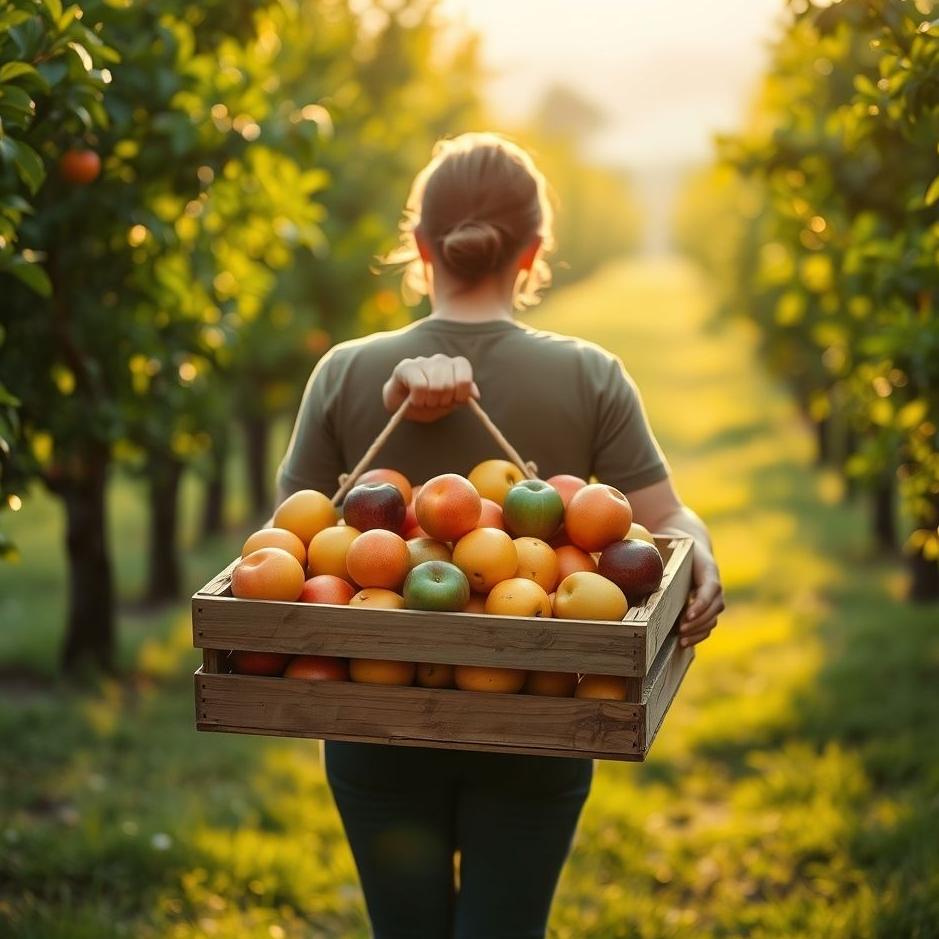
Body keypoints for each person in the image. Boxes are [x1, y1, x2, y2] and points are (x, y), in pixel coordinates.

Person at [275, 132, 724, 939]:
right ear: (534, 252)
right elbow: (666, 522)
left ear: (419, 247)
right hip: (541, 716)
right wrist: (702, 553)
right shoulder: (590, 375)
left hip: (374, 717)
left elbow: (285, 546)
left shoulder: (343, 370)